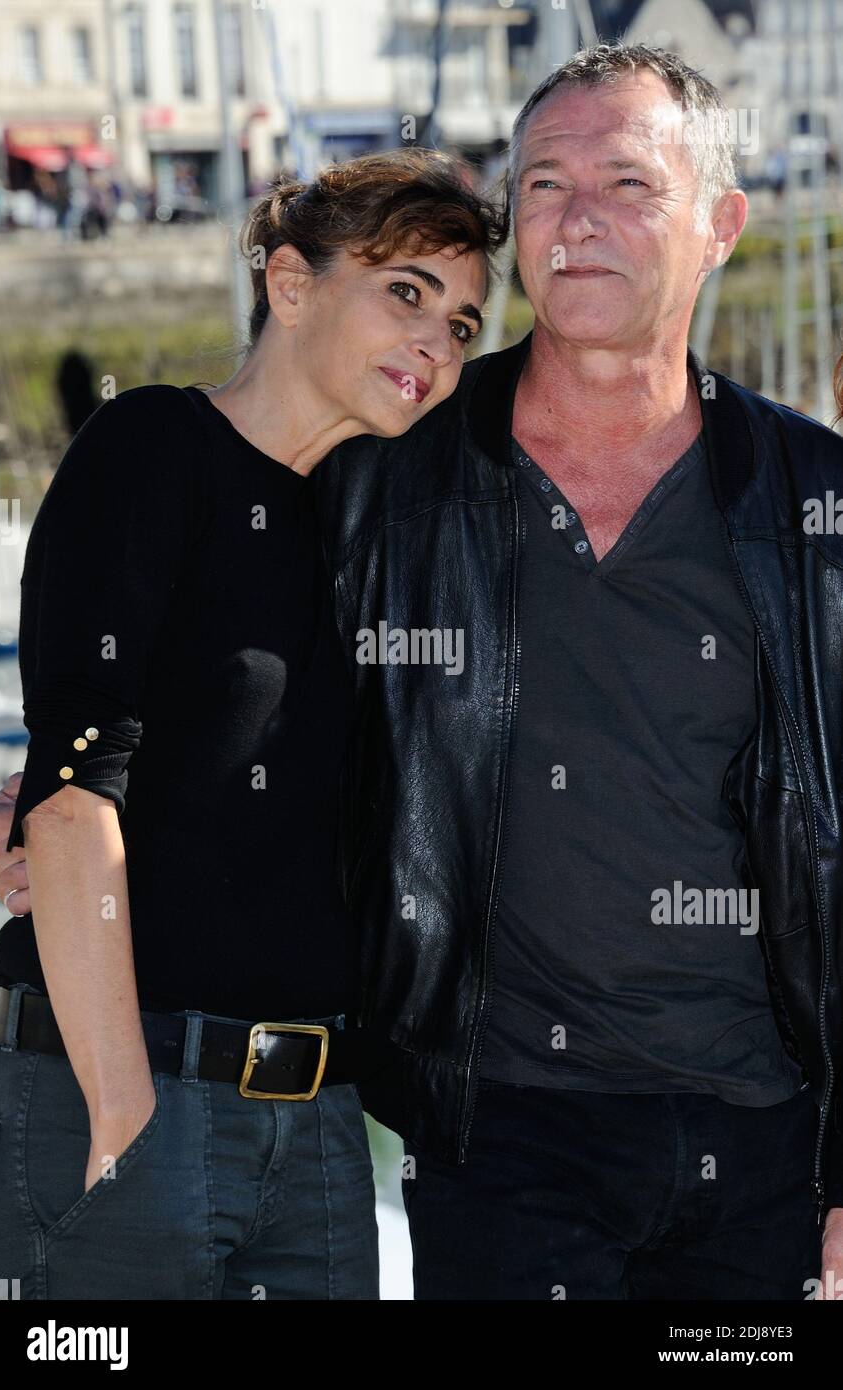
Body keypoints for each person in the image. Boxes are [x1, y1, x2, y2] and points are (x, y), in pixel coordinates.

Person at [307, 43, 843, 1300]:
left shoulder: (812, 501)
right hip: (501, 1137)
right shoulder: (391, 478)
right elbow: (253, 707)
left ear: (718, 225)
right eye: (542, 183)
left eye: (624, 181)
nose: (576, 217)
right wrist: (87, 780)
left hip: (760, 1142)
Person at [0, 147, 500, 1300]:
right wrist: (123, 1109)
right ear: (290, 284)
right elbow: (72, 797)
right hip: (122, 1097)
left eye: (460, 324)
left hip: (317, 1127)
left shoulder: (377, 528)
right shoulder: (151, 450)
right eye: (403, 292)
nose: (435, 340)